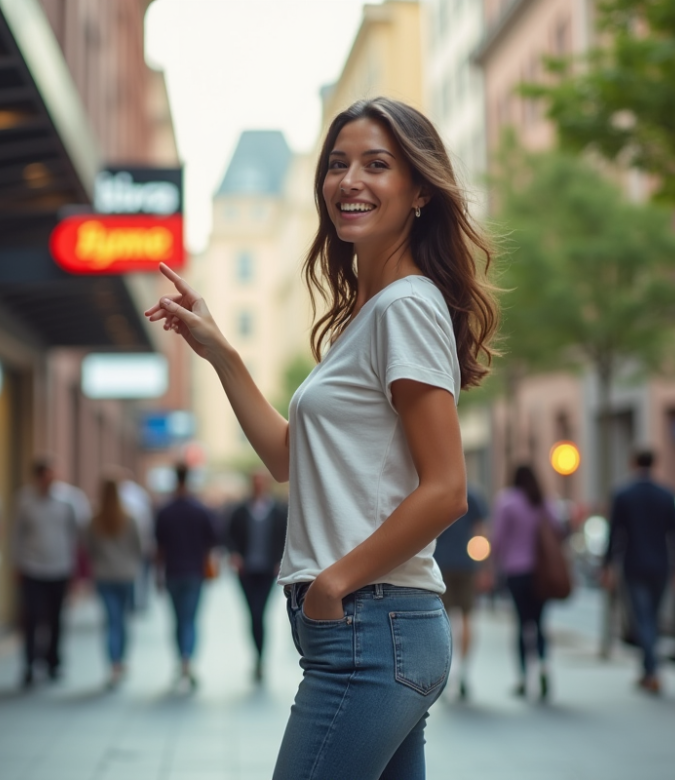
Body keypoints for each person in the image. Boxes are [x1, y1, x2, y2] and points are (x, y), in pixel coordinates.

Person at [146, 97, 498, 779]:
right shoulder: (365, 318)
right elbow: (287, 460)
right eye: (337, 165)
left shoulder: (405, 306)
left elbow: (448, 489)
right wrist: (220, 350)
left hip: (372, 626)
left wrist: (333, 584)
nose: (349, 181)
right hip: (376, 628)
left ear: (419, 189)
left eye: (376, 164)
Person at [602, 450, 675, 694]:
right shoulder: (666, 494)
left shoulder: (623, 494)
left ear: (632, 463)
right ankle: (649, 670)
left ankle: (650, 671)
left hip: (634, 566)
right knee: (652, 618)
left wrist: (607, 565)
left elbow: (614, 534)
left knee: (644, 619)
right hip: (660, 566)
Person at [13, 459, 90, 686]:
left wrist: (79, 571)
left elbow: (80, 534)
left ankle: (53, 662)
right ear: (36, 478)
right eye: (43, 477)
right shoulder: (24, 500)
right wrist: (16, 563)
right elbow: (16, 534)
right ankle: (29, 663)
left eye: (51, 476)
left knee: (57, 618)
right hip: (32, 567)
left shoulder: (70, 500)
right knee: (32, 617)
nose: (48, 481)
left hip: (60, 567)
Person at [490, 464, 561, 700]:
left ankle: (522, 678)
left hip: (516, 571)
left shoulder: (507, 501)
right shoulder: (542, 501)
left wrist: (493, 566)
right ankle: (543, 666)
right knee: (540, 623)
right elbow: (559, 529)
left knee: (522, 624)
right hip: (541, 573)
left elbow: (497, 539)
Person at [154, 463, 217, 689]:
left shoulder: (165, 511)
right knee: (190, 620)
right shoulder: (200, 509)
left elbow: (158, 548)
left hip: (173, 572)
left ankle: (181, 660)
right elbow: (212, 541)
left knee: (178, 620)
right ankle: (187, 661)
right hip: (194, 573)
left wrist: (157, 575)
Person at [227, 470, 289, 683]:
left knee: (259, 613)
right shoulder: (240, 511)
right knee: (252, 614)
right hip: (246, 571)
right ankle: (258, 656)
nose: (258, 486)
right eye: (255, 482)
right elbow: (230, 536)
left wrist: (279, 560)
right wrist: (234, 555)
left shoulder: (278, 511)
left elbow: (285, 537)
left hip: (266, 571)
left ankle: (260, 658)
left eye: (261, 482)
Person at [85, 476, 144, 689]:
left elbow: (89, 548)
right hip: (126, 575)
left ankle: (114, 665)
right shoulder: (130, 519)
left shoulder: (94, 520)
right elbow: (140, 547)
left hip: (104, 575)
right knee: (123, 621)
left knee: (111, 622)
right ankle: (122, 661)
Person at [432, 484, 489, 700]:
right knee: (466, 618)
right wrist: (482, 565)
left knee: (442, 621)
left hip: (441, 564)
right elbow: (481, 531)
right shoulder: (471, 494)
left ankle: (445, 674)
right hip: (466, 564)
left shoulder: (438, 490)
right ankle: (462, 671)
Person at [116, 469, 156, 611]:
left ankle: (131, 602)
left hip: (123, 547)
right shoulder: (139, 495)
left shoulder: (124, 495)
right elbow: (147, 521)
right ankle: (137, 601)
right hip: (136, 543)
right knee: (138, 574)